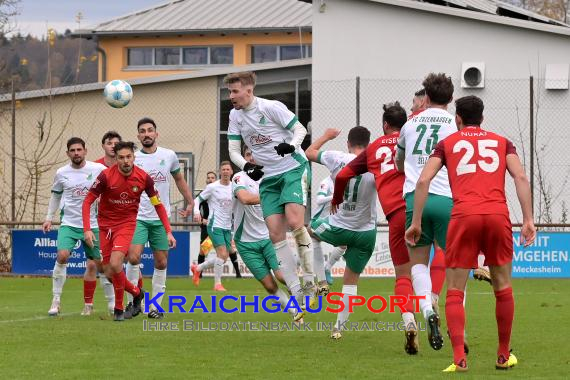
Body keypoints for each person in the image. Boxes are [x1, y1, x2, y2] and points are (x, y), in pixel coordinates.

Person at [404, 95, 536, 372]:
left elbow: (424, 179)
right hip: (497, 215)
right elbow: (521, 177)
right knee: (503, 286)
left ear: (458, 119)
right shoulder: (502, 142)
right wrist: (528, 219)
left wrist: (416, 221)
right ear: (483, 118)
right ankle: (502, 356)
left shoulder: (447, 143)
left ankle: (459, 360)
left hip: (463, 217)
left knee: (454, 289)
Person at [332, 103, 420, 354]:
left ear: (384, 125)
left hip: (396, 216)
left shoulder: (373, 149)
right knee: (434, 266)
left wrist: (337, 198)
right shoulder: (413, 140)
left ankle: (409, 320)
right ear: (405, 124)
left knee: (403, 275)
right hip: (423, 207)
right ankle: (433, 310)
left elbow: (341, 177)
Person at [225, 71, 314, 311]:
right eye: (229, 91)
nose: (231, 96)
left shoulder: (270, 107)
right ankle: (296, 290)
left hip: (293, 167)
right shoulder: (235, 116)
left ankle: (309, 279)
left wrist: (291, 145)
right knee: (275, 233)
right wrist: (247, 166)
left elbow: (301, 129)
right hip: (269, 176)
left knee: (296, 221)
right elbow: (233, 150)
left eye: (235, 91)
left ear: (248, 90)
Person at [395, 73, 457, 350]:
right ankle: (459, 331)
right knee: (456, 265)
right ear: (451, 98)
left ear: (427, 98)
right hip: (446, 198)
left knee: (417, 263)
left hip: (414, 199)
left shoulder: (410, 124)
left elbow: (398, 163)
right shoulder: (455, 125)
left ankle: (428, 311)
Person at [82, 141, 176, 322]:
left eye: (128, 157)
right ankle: (137, 293)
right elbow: (87, 201)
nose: (125, 161)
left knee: (117, 264)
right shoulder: (105, 176)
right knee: (108, 272)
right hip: (104, 226)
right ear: (115, 159)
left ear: (134, 157)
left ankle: (119, 309)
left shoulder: (144, 178)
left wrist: (168, 231)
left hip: (126, 225)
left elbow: (158, 205)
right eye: (121, 158)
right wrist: (87, 229)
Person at [306, 126, 377, 340]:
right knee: (350, 281)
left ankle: (322, 281)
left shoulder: (337, 157)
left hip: (338, 226)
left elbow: (309, 152)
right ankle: (338, 328)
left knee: (311, 231)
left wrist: (326, 136)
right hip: (366, 232)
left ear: (348, 143)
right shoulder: (375, 163)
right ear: (368, 143)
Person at [125, 117, 194, 319]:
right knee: (133, 257)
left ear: (156, 134)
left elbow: (179, 180)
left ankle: (155, 307)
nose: (146, 134)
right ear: (138, 136)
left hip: (160, 217)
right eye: (142, 131)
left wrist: (190, 202)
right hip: (137, 216)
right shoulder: (133, 158)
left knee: (162, 262)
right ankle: (133, 303)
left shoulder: (169, 155)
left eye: (150, 130)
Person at [43, 137, 113, 316]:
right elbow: (56, 196)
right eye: (72, 150)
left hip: (93, 224)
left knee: (101, 265)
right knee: (62, 255)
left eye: (79, 150)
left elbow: (114, 182)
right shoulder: (61, 173)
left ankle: (112, 304)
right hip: (69, 224)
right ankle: (55, 301)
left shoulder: (98, 169)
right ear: (68, 153)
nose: (76, 153)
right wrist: (49, 218)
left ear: (85, 151)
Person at [232, 146, 298, 318]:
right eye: (248, 154)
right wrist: (271, 195)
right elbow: (245, 199)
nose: (252, 158)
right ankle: (294, 312)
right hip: (246, 242)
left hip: (269, 236)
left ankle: (299, 294)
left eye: (255, 154)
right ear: (243, 158)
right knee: (269, 286)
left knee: (282, 276)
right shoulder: (239, 177)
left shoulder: (271, 177)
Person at [191, 161, 234, 291]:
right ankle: (217, 284)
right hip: (214, 225)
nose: (226, 171)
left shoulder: (235, 187)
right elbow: (197, 200)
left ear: (231, 172)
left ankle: (197, 268)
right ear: (220, 172)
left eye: (228, 169)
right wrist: (197, 212)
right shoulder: (213, 187)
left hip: (227, 226)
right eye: (223, 169)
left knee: (224, 257)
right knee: (221, 253)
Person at [310, 174, 345, 291]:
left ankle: (324, 274)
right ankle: (322, 277)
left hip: (332, 221)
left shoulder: (345, 181)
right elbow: (319, 200)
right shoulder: (326, 182)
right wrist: (336, 196)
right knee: (314, 237)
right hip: (319, 221)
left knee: (343, 244)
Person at [197, 171, 218, 277]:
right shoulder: (203, 194)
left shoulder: (219, 192)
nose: (210, 179)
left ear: (216, 179)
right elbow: (195, 205)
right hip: (206, 227)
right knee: (204, 250)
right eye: (208, 177)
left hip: (219, 226)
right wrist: (201, 219)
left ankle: (238, 274)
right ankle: (198, 273)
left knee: (228, 250)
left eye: (212, 177)